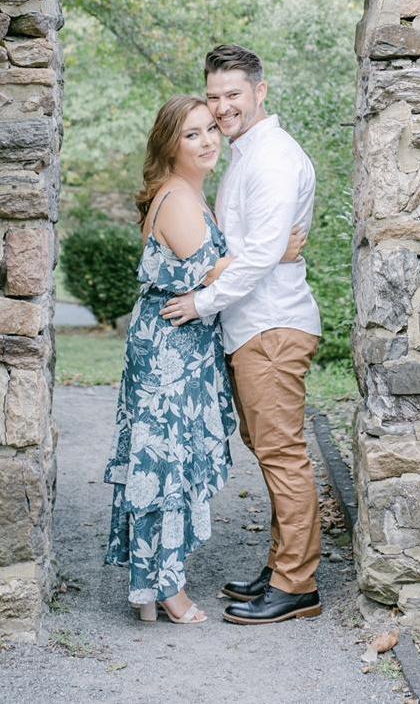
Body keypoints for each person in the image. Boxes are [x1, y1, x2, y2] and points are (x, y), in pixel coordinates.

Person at [104, 95, 304, 625]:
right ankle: (166, 589)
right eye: (192, 134)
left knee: (167, 463)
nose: (208, 140)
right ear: (169, 144)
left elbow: (212, 270)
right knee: (164, 465)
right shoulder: (177, 198)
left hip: (181, 345)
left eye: (211, 128)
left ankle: (153, 586)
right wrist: (278, 251)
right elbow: (211, 272)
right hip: (168, 350)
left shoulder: (189, 194)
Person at [162, 45, 324, 626]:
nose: (222, 106)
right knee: (271, 450)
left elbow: (256, 256)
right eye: (214, 96)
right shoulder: (246, 155)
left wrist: (201, 302)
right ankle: (283, 566)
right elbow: (255, 247)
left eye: (233, 94)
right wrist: (270, 251)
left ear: (261, 91)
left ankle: (296, 584)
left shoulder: (273, 157)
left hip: (272, 326)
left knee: (282, 454)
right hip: (254, 327)